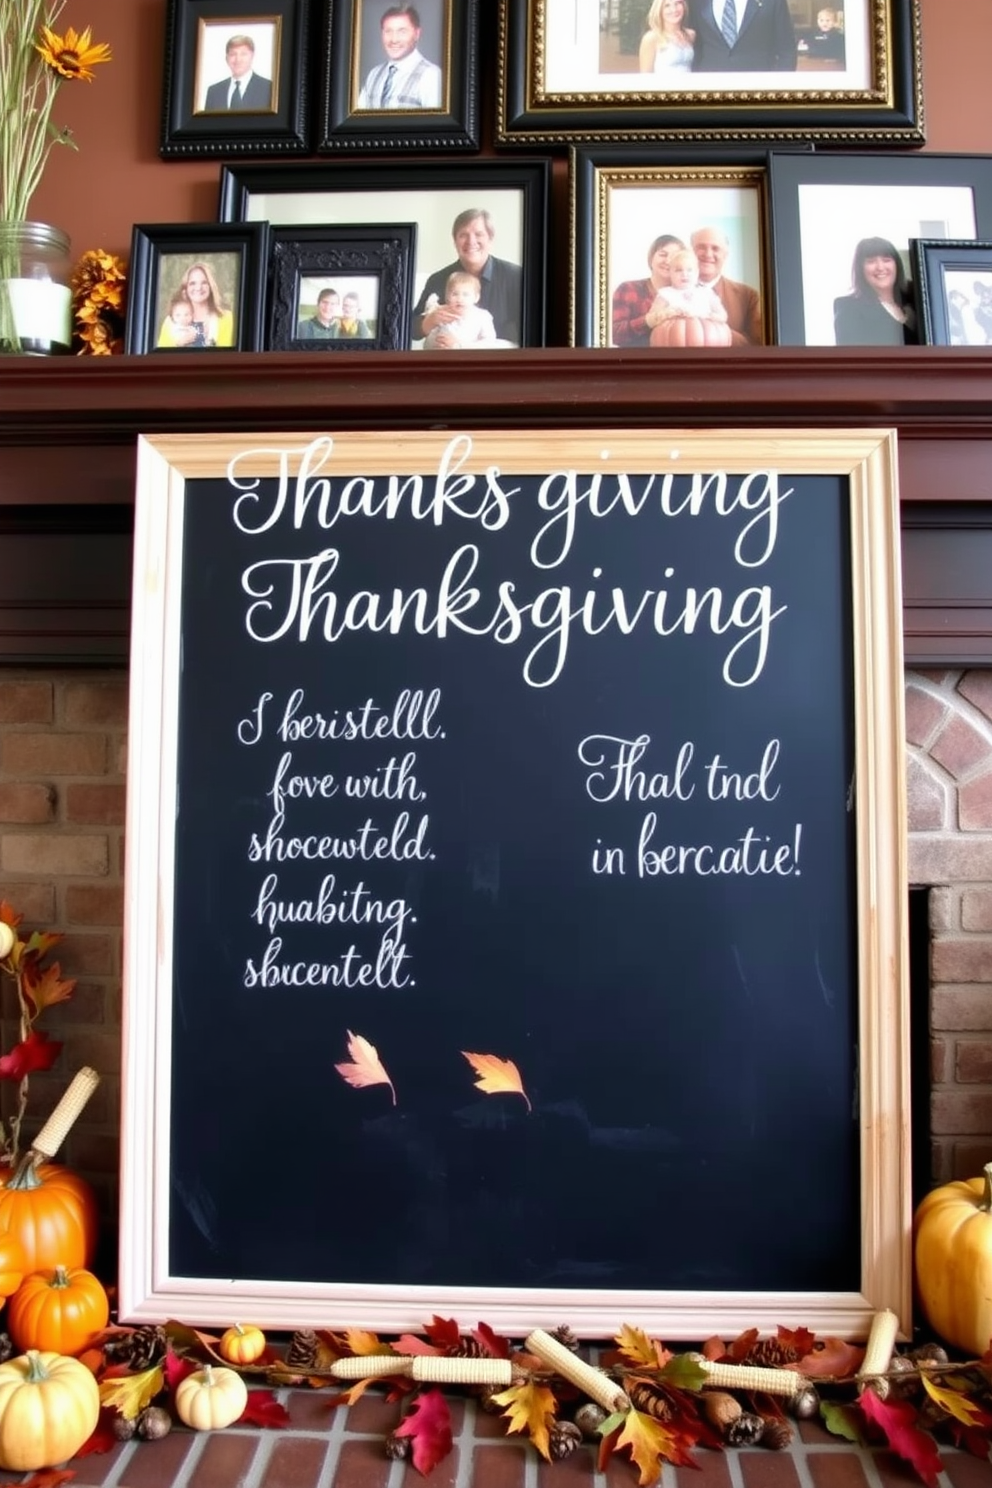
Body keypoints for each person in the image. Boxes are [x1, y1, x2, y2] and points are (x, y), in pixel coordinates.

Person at [412, 209, 523, 346]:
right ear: (455, 241)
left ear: (490, 238)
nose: (471, 241)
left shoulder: (516, 277)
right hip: (448, 363)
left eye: (479, 234)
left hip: (502, 363)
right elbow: (409, 329)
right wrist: (427, 323)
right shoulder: (437, 279)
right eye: (463, 235)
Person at [832, 236, 917, 346]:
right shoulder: (849, 307)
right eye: (871, 261)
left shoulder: (916, 301)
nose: (880, 267)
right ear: (860, 269)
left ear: (897, 265)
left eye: (886, 260)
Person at [357, 5, 442, 110]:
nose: (394, 39)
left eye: (402, 31)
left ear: (417, 34)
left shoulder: (431, 76)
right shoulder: (374, 74)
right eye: (388, 31)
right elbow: (358, 122)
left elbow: (437, 124)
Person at [690, 226, 763, 345]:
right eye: (701, 247)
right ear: (690, 252)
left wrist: (716, 332)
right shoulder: (670, 293)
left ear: (725, 255)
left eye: (715, 248)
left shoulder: (749, 296)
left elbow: (758, 345)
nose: (708, 254)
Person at [612, 233, 686, 347]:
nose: (668, 261)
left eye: (675, 256)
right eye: (663, 254)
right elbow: (614, 334)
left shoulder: (690, 296)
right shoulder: (628, 289)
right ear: (651, 258)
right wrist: (648, 321)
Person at [649, 248, 731, 345]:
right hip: (674, 342)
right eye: (678, 270)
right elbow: (650, 319)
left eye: (690, 270)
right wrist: (668, 313)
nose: (685, 274)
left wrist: (708, 316)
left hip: (707, 342)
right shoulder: (665, 294)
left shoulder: (706, 293)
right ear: (670, 273)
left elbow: (723, 316)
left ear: (697, 273)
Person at [692, 0, 797, 71]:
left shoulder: (773, 2)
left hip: (758, 93)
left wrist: (779, 91)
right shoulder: (698, 2)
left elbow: (787, 50)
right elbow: (694, 47)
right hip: (709, 93)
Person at [157, 262, 234, 348]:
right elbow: (160, 359)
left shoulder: (227, 318)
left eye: (204, 282)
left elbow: (230, 357)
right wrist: (179, 345)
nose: (198, 288)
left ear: (211, 287)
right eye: (192, 283)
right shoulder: (170, 322)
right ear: (185, 289)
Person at [422, 271, 497, 348]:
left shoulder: (483, 316)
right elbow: (428, 344)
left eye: (466, 294)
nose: (460, 299)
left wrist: (458, 345)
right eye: (455, 294)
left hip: (471, 357)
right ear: (447, 297)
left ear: (476, 297)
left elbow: (489, 343)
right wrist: (437, 342)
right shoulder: (442, 314)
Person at [203, 34, 272, 111]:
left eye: (243, 54)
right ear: (227, 58)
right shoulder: (214, 91)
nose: (238, 60)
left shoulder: (269, 88)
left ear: (252, 56)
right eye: (233, 54)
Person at [638, 0, 695, 76]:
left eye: (678, 3)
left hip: (689, 87)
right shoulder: (651, 38)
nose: (674, 9)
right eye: (667, 6)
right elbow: (645, 76)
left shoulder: (690, 35)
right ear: (659, 10)